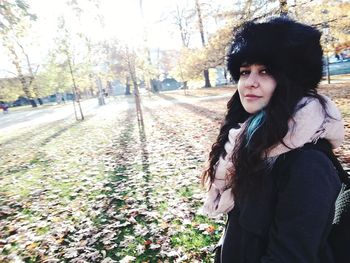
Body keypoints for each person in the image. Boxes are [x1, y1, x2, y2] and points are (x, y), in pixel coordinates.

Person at [201, 17, 345, 263]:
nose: (250, 82)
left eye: (265, 71)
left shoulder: (307, 164)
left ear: (292, 80)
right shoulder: (250, 141)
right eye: (245, 72)